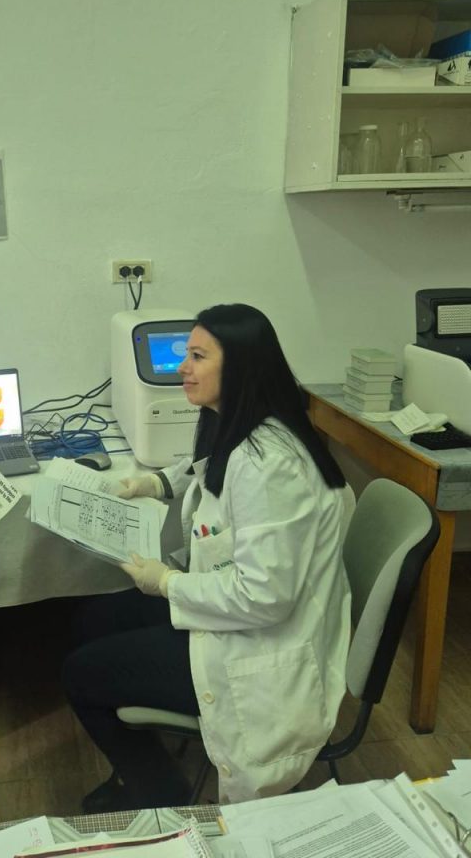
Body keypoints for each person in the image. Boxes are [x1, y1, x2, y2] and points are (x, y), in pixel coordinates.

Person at [63, 304, 352, 810]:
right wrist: (154, 482)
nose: (182, 367)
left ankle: (158, 790)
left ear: (240, 367)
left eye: (197, 356)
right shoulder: (242, 422)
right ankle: (142, 768)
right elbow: (204, 468)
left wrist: (167, 583)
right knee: (93, 619)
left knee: (80, 674)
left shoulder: (267, 464)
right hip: (233, 610)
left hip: (259, 641)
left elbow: (264, 597)